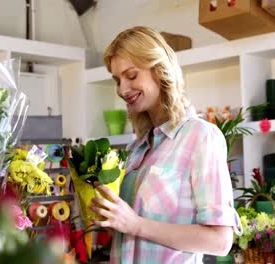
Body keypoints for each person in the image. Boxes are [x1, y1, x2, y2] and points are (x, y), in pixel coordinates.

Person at [89, 26, 242, 264]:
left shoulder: (200, 137)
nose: (122, 89)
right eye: (117, 80)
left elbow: (220, 241)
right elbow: (135, 234)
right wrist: (112, 219)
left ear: (160, 70)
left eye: (131, 76)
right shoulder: (138, 148)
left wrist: (136, 225)